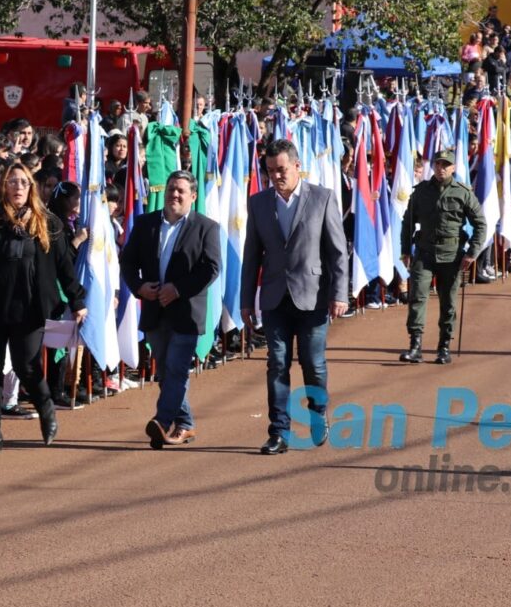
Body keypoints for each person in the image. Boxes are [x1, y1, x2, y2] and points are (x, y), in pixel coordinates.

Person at [0, 162, 86, 454]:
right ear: (3, 187)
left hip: (30, 306)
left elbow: (64, 267)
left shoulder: (48, 222)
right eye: (12, 182)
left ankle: (45, 406)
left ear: (30, 187)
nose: (18, 187)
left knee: (26, 365)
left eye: (23, 182)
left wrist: (77, 301)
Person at [240, 139, 348, 455]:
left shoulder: (322, 199)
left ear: (297, 166)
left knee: (312, 363)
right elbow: (251, 255)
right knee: (276, 363)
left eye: (282, 169)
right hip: (274, 298)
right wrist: (247, 299)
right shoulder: (258, 203)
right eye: (270, 170)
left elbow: (338, 253)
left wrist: (340, 294)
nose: (276, 175)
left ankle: (318, 412)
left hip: (312, 298)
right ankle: (279, 432)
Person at [119, 170, 221, 448]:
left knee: (176, 369)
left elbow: (211, 268)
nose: (175, 195)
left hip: (186, 312)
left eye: (181, 191)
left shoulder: (206, 227)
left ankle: (162, 421)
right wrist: (139, 287)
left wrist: (177, 289)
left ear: (193, 196)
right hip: (154, 310)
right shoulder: (145, 224)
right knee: (165, 372)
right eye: (171, 190)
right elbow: (127, 262)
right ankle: (185, 424)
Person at [398, 149, 486, 365]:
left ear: (453, 168)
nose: (441, 168)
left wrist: (472, 253)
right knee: (417, 298)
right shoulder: (421, 192)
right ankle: (415, 346)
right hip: (424, 254)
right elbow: (407, 222)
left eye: (446, 165)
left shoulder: (463, 193)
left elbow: (480, 225)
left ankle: (444, 346)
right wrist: (406, 250)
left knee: (448, 303)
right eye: (438, 164)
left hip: (452, 256)